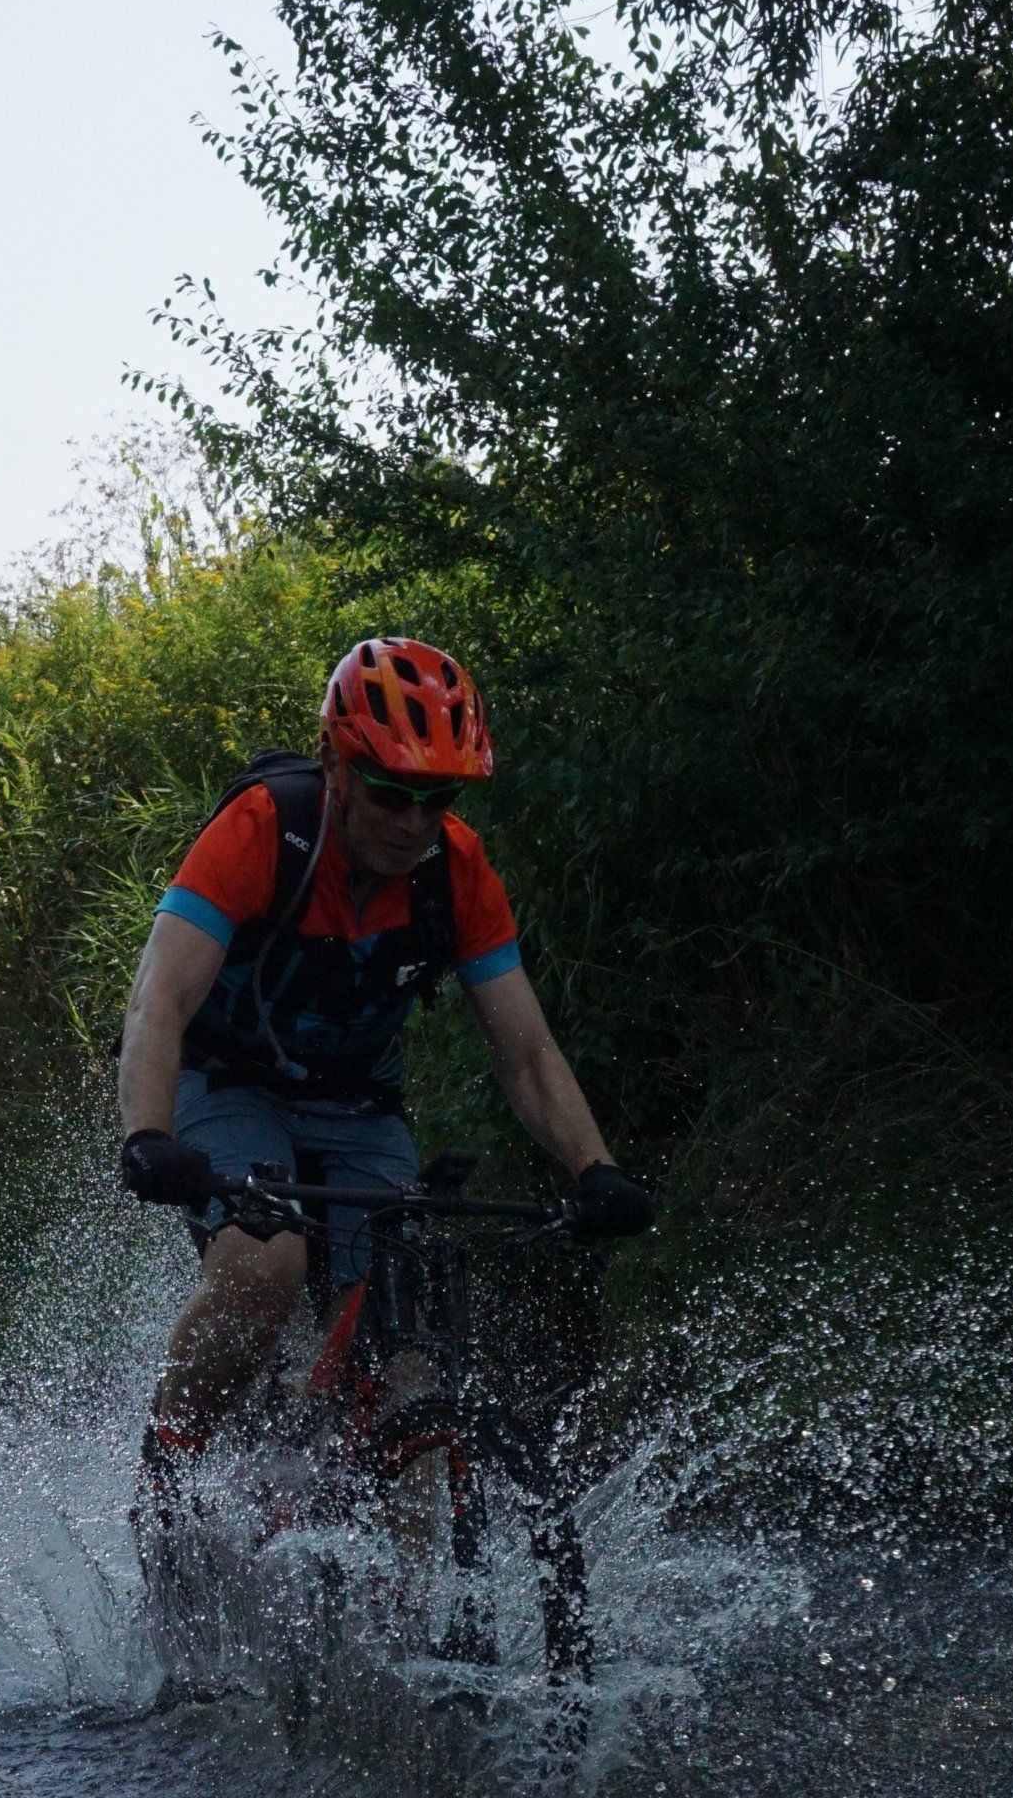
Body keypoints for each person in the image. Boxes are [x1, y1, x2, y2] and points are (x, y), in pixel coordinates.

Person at [117, 635, 650, 1499]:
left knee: (413, 1360)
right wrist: (148, 1136)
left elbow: (526, 1050)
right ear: (336, 764)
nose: (411, 824)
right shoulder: (263, 830)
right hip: (225, 1082)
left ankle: (405, 1619)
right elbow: (158, 1002)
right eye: (390, 793)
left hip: (359, 1106)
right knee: (264, 1262)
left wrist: (595, 1169)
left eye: (433, 799)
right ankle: (168, 1469)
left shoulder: (458, 873)